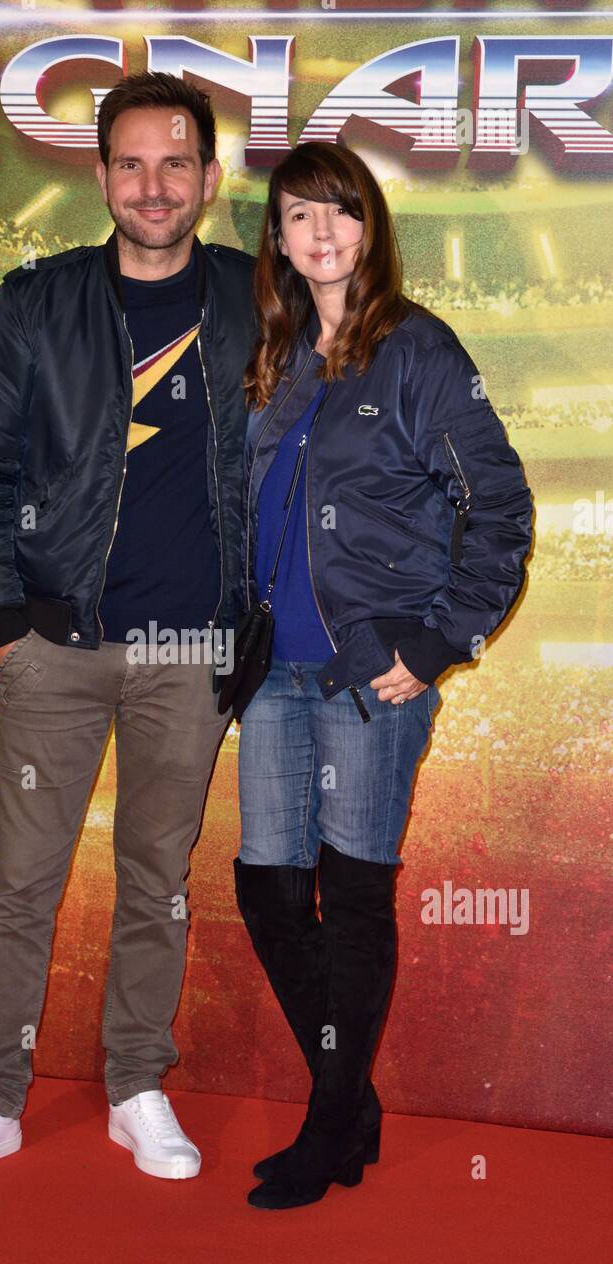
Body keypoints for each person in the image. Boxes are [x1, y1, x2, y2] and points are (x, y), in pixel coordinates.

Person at [0, 73, 257, 1188]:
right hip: (52, 649)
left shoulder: (260, 297)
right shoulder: (37, 301)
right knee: (21, 885)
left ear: (208, 175)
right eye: (132, 163)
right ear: (100, 175)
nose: (154, 185)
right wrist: (2, 621)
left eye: (176, 162)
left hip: (189, 655)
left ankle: (137, 1085)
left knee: (158, 875)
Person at [232, 141, 533, 1210]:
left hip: (373, 677)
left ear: (370, 228)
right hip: (274, 673)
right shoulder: (275, 350)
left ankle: (328, 1123)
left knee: (353, 896)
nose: (321, 232)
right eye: (299, 214)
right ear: (276, 235)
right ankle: (350, 1099)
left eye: (341, 212)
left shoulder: (420, 351)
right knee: (266, 886)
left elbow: (500, 507)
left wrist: (439, 639)